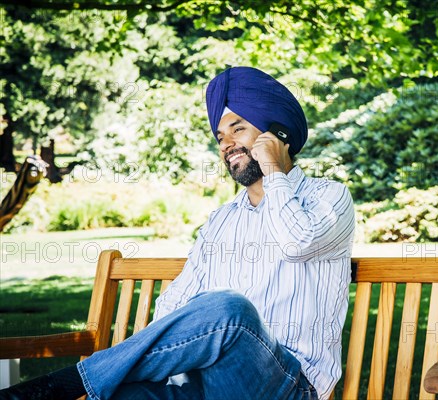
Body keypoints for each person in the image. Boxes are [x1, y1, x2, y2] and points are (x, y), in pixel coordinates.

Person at [0, 67, 355, 400]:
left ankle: (61, 385)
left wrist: (274, 169)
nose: (226, 143)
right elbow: (174, 303)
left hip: (289, 385)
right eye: (220, 136)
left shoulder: (330, 197)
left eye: (237, 129)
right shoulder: (222, 220)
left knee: (231, 309)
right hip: (205, 385)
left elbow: (298, 242)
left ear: (275, 136)